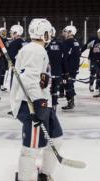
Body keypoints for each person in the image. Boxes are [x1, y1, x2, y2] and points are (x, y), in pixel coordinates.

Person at [11, 18, 63, 181]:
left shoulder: (37, 49)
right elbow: (28, 79)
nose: (51, 36)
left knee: (56, 138)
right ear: (44, 33)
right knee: (31, 148)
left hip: (41, 102)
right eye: (49, 32)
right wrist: (38, 103)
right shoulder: (35, 50)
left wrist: (43, 101)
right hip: (31, 105)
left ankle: (44, 174)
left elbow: (37, 78)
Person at [60, 25, 81, 110]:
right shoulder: (76, 42)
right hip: (74, 67)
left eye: (66, 31)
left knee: (67, 84)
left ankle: (71, 102)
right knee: (69, 84)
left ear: (70, 32)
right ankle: (70, 101)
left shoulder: (67, 42)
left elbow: (64, 57)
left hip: (68, 68)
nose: (64, 33)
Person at [46, 27, 63, 108]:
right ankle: (54, 106)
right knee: (54, 90)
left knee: (46, 90)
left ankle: (48, 107)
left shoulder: (45, 44)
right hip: (57, 71)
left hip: (47, 72)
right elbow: (63, 59)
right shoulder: (60, 44)